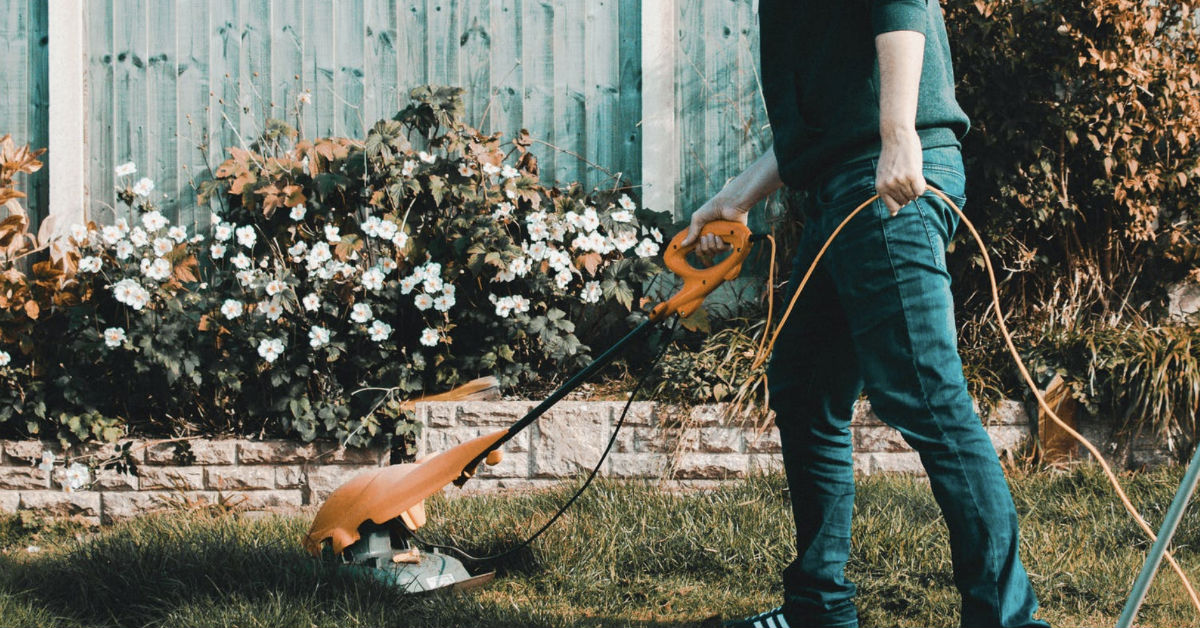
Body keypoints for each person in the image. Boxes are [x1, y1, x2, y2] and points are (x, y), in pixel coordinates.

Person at [680, 2, 1051, 627]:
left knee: (926, 397)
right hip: (842, 185)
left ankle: (1009, 622)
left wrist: (899, 133)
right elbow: (830, 119)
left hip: (883, 183)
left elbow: (899, 7)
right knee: (805, 387)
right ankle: (818, 609)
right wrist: (735, 198)